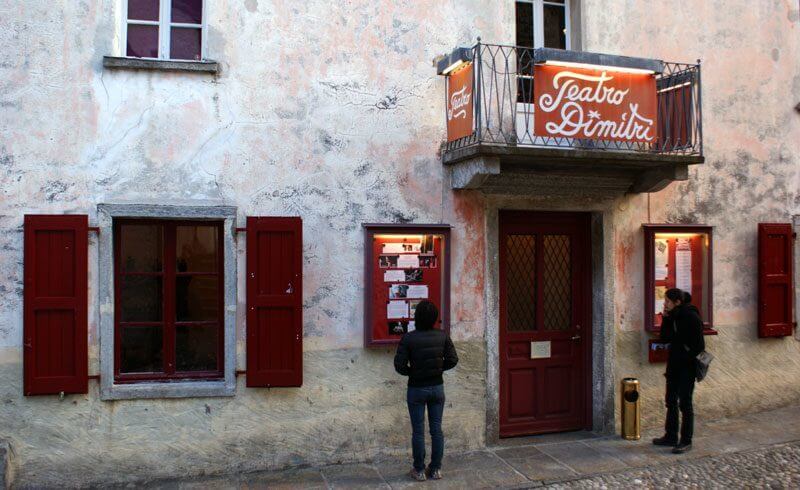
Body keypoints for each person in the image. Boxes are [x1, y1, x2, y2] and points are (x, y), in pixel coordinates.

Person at [393, 300, 458, 481]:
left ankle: (419, 470)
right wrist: (438, 369)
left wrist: (412, 372)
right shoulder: (442, 336)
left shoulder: (409, 338)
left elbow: (399, 365)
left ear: (417, 317)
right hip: (437, 387)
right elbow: (453, 359)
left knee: (418, 431)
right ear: (434, 318)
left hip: (416, 388)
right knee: (436, 430)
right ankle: (436, 469)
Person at [653, 288, 705, 454]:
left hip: (687, 367)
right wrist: (666, 319)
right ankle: (670, 436)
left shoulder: (691, 316)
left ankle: (686, 440)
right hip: (674, 365)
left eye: (668, 301)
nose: (665, 304)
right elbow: (665, 338)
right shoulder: (673, 316)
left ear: (677, 302)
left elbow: (699, 346)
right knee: (670, 400)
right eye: (664, 301)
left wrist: (685, 359)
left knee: (685, 403)